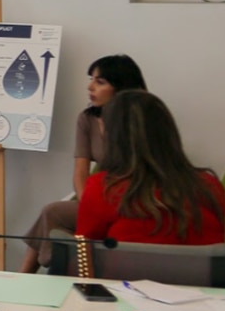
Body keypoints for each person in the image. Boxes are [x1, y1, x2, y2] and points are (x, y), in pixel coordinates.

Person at [18, 54, 147, 272]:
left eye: (100, 82)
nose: (90, 87)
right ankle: (32, 272)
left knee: (52, 213)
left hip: (132, 198)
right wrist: (89, 204)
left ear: (121, 87)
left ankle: (28, 274)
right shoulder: (87, 119)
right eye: (91, 79)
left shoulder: (143, 119)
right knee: (52, 213)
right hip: (98, 197)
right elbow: (80, 172)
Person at [76, 90, 225, 259]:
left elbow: (84, 256)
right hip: (205, 284)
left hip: (126, 283)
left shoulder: (103, 188)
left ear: (115, 137)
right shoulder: (210, 186)